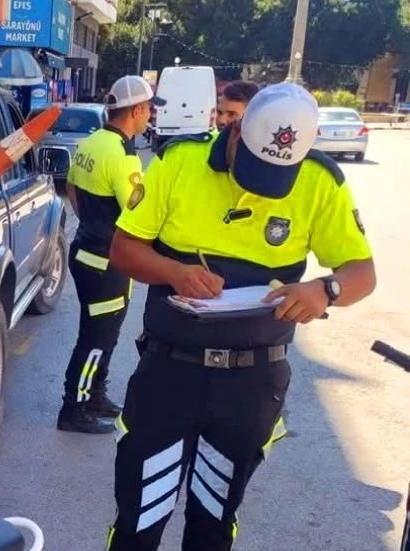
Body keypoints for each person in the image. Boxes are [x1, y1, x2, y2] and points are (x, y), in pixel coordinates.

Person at [104, 82, 376, 550]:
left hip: (251, 385)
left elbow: (362, 273)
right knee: (140, 518)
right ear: (234, 130)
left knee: (214, 521)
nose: (257, 186)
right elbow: (123, 249)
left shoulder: (321, 180)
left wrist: (324, 290)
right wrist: (174, 272)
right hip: (170, 373)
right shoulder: (180, 160)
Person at [57, 75, 166, 434]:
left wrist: (93, 223)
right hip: (106, 263)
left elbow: (72, 189)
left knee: (101, 334)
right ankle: (74, 408)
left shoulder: (91, 142)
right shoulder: (123, 156)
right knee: (97, 339)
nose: (150, 115)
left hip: (86, 251)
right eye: (149, 109)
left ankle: (95, 396)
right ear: (135, 111)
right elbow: (137, 214)